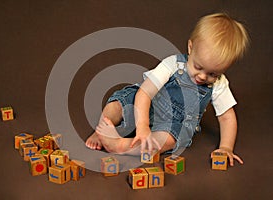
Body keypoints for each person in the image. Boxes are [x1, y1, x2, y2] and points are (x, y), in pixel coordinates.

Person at [85, 13, 249, 166]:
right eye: (198, 67)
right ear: (190, 48)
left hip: (172, 124)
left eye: (212, 74)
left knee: (168, 139)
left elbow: (227, 118)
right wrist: (143, 126)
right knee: (120, 100)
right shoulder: (173, 64)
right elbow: (145, 93)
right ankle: (102, 129)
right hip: (147, 105)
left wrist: (226, 147)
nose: (202, 77)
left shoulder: (219, 84)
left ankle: (121, 145)